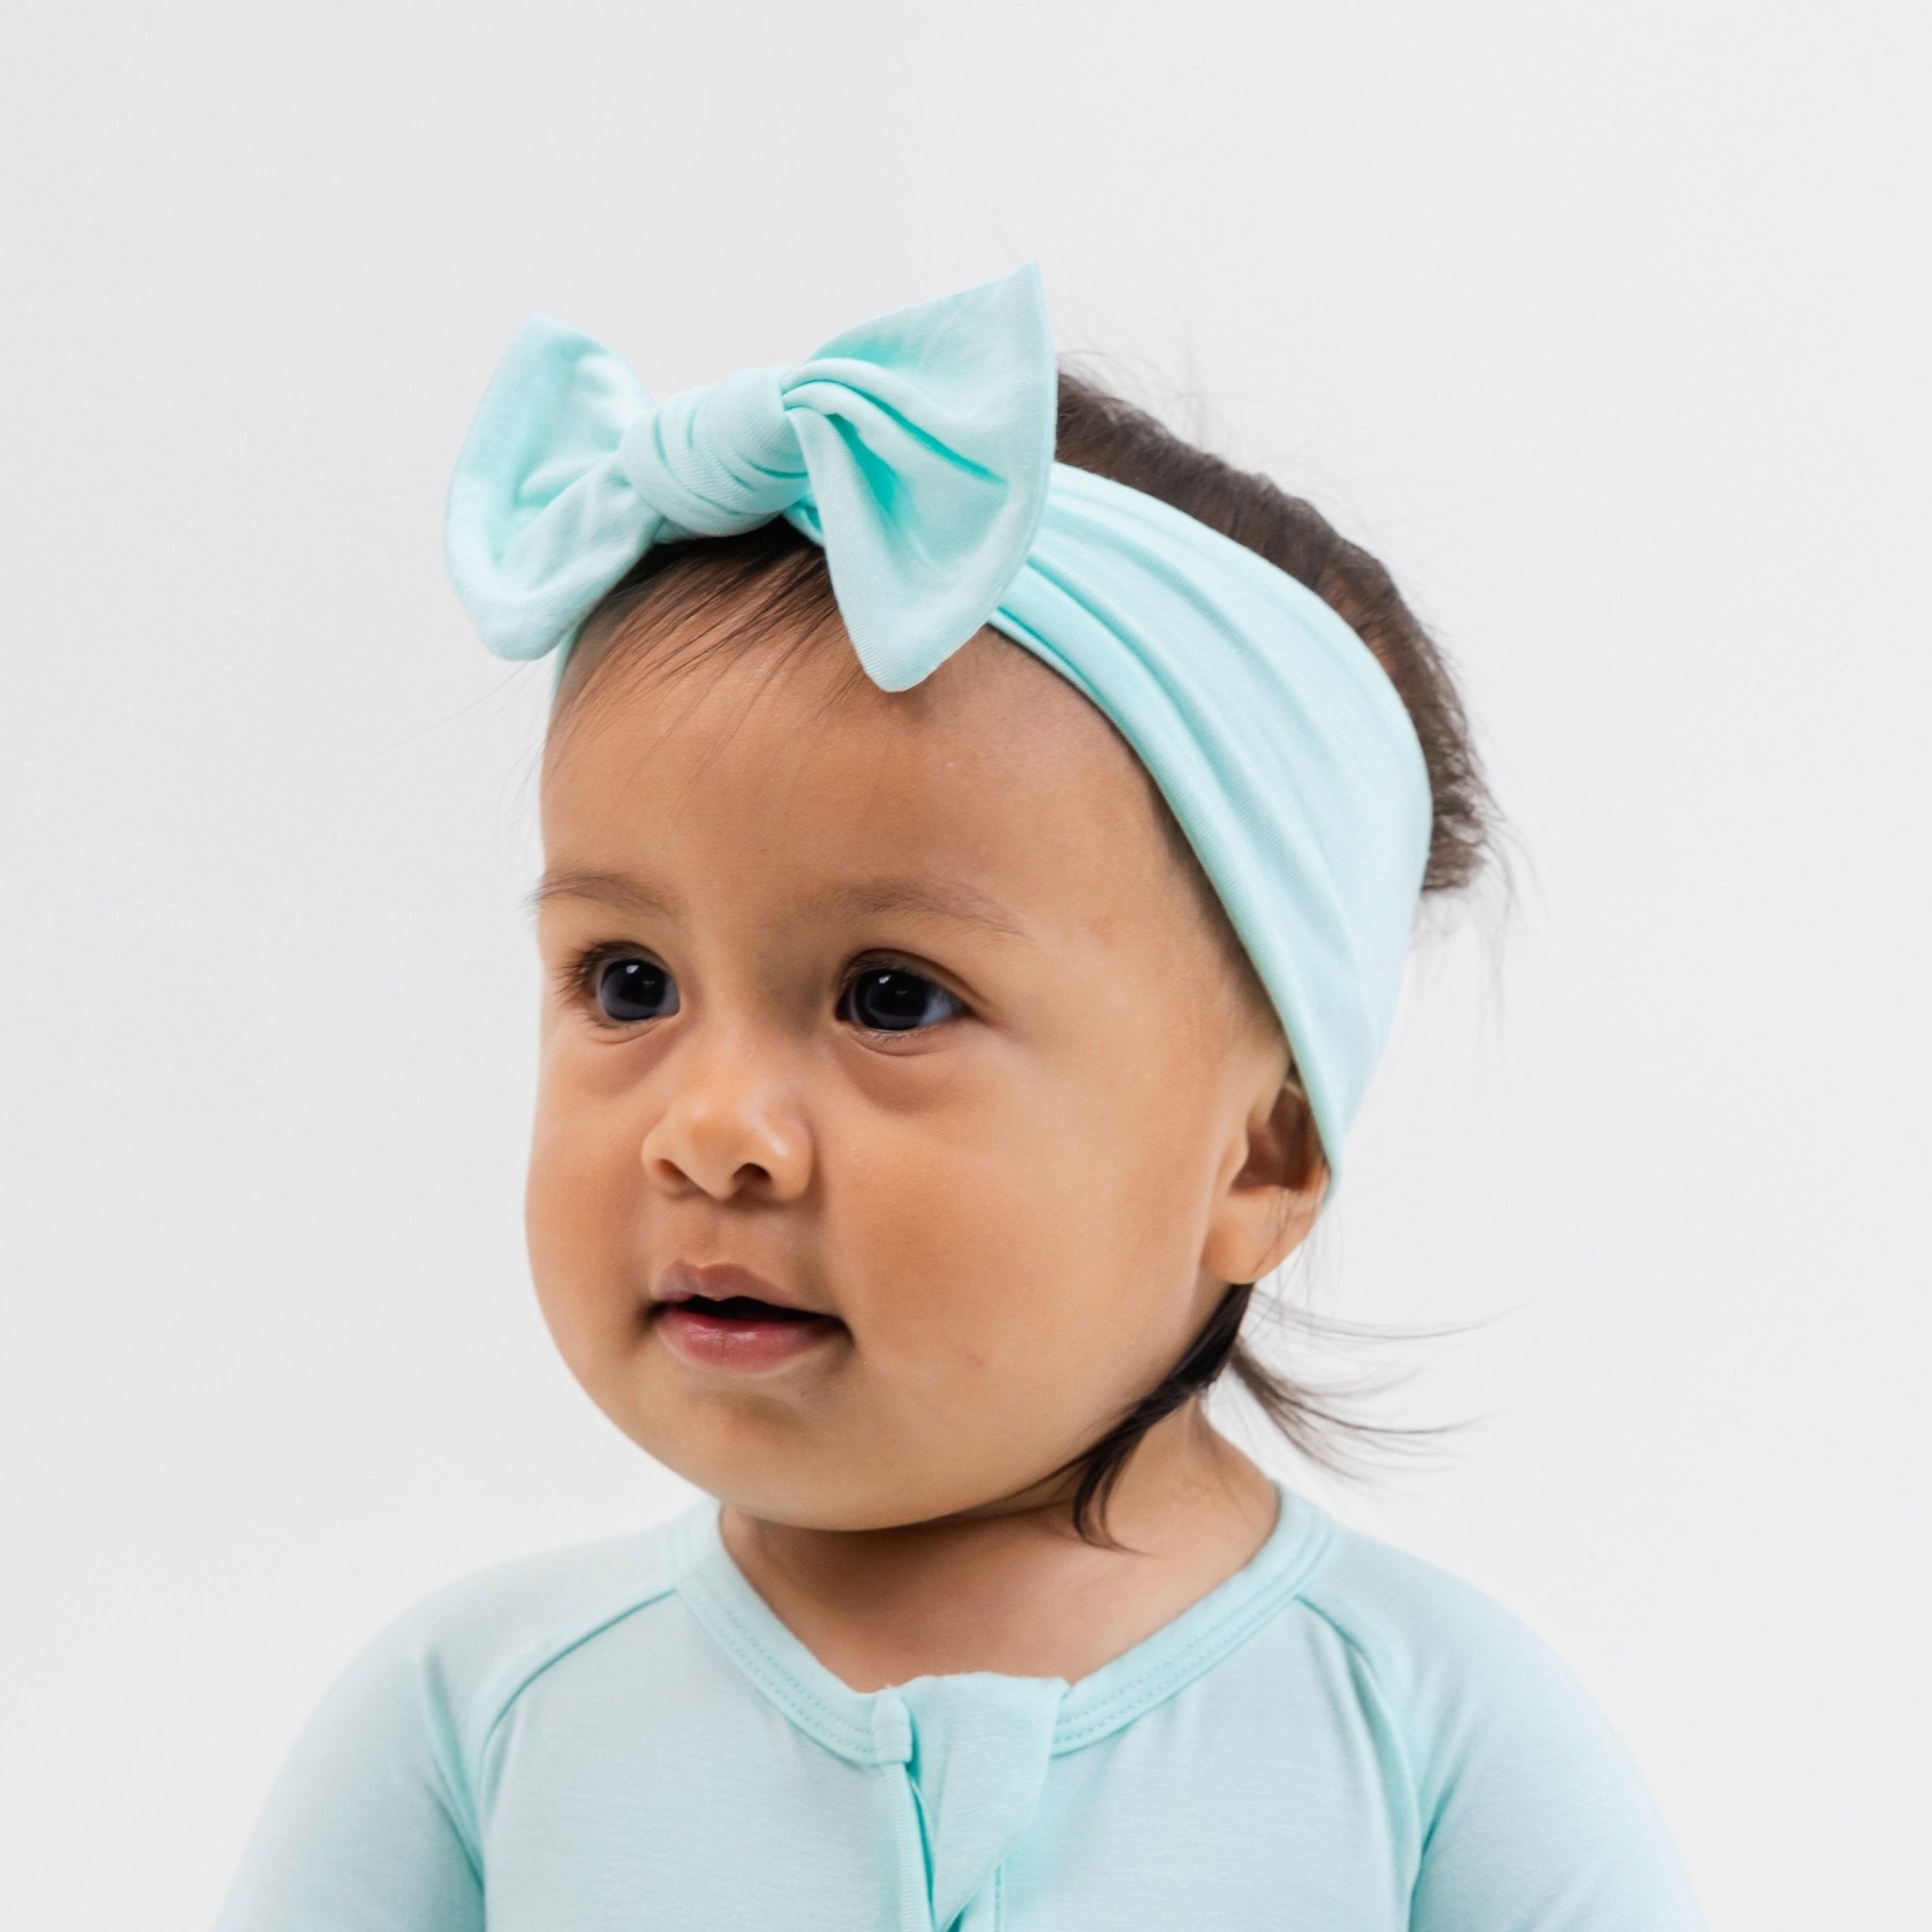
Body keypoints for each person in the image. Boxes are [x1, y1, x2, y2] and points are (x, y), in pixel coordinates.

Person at [209, 263, 1708, 1929]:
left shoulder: (1434, 1745)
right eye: (628, 983)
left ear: (1261, 1153)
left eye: (892, 999)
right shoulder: (477, 1731)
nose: (711, 1130)